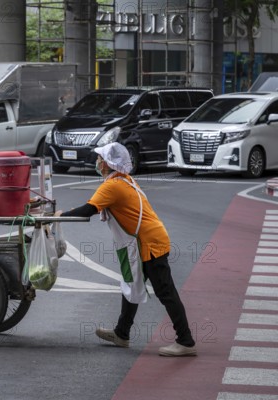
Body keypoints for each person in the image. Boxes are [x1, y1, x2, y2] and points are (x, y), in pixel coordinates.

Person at [55, 142, 196, 357]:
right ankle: (122, 333)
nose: (97, 161)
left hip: (149, 243)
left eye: (99, 158)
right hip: (147, 239)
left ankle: (185, 341)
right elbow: (92, 207)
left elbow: (87, 211)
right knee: (131, 283)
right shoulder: (124, 180)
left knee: (165, 292)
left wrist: (60, 217)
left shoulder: (112, 186)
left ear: (106, 163)